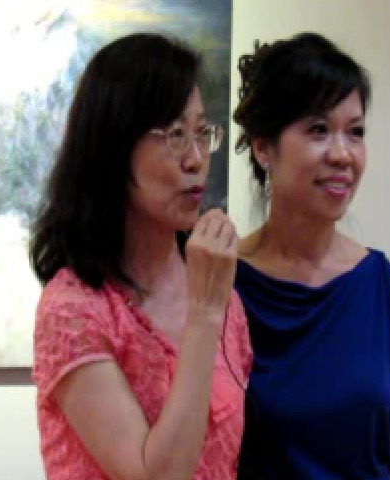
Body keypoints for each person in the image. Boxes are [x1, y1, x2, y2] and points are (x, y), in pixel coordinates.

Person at [29, 33, 252, 480]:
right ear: (113, 147)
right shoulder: (73, 308)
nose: (196, 160)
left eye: (202, 133)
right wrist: (205, 313)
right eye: (174, 135)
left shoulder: (220, 294)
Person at [231, 32, 390, 480]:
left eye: (355, 132)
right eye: (318, 130)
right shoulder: (221, 286)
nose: (343, 155)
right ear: (263, 147)